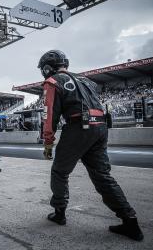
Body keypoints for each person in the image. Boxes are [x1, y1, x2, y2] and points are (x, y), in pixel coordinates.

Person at [39, 50, 143, 241]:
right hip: (100, 127)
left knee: (59, 172)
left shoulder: (52, 82)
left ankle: (59, 213)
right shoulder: (87, 80)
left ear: (47, 68)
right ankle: (130, 221)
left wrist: (47, 143)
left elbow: (49, 115)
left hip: (79, 127)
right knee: (103, 176)